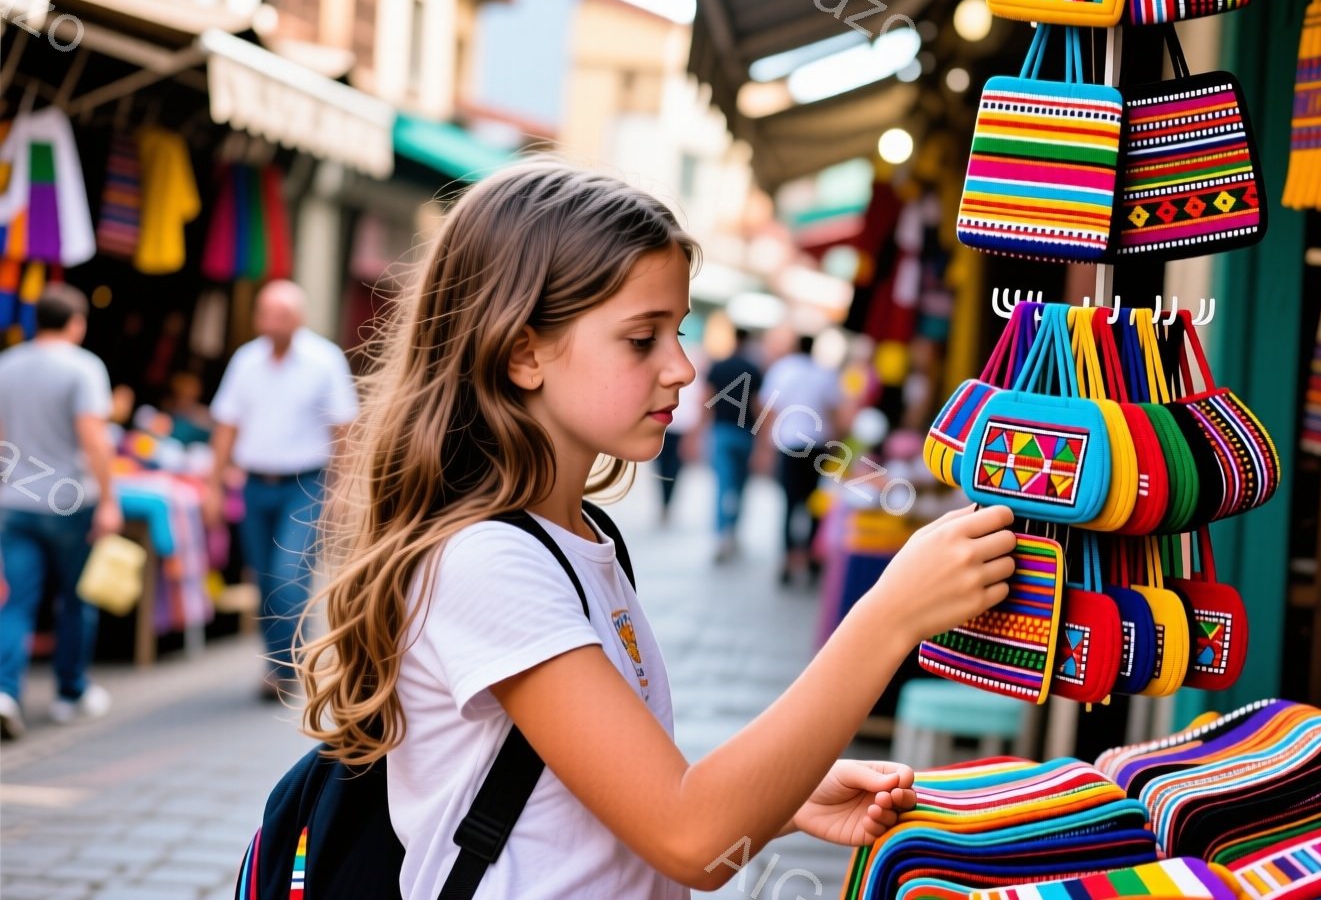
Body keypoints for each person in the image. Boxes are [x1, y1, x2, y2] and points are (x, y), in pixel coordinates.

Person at [295, 161, 1016, 899]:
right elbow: (690, 837)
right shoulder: (487, 561)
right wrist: (891, 616)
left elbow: (606, 799)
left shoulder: (576, 537)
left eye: (678, 330)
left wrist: (781, 796)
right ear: (522, 352)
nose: (680, 367)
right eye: (643, 339)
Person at [204, 280, 357, 700]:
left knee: (289, 577)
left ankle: (286, 665)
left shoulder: (324, 359)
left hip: (304, 484)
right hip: (254, 484)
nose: (272, 323)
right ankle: (280, 661)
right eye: (266, 314)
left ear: (299, 319)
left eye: (282, 315)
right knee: (265, 579)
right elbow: (227, 425)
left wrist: (341, 488)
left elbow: (343, 426)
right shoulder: (246, 360)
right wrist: (213, 486)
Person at [0, 284, 122, 740]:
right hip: (70, 500)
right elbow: (94, 436)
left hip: (15, 500)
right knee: (75, 598)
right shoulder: (84, 367)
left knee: (16, 600)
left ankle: (6, 691)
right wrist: (109, 499)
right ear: (76, 322)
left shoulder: (7, 365)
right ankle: (70, 693)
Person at [759, 334, 845, 586]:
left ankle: (787, 559)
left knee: (788, 503)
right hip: (818, 446)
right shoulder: (825, 374)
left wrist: (763, 446)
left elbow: (768, 409)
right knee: (813, 505)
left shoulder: (782, 369)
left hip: (789, 445)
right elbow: (835, 412)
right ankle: (809, 558)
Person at [702, 325, 762, 562]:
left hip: (721, 432)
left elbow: (705, 400)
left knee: (721, 485)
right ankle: (734, 531)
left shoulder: (718, 366)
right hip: (745, 433)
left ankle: (721, 536)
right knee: (741, 487)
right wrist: (762, 440)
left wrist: (699, 432)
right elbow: (758, 405)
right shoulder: (754, 369)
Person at [654, 341, 700, 525]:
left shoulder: (692, 381)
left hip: (680, 429)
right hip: (667, 428)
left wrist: (692, 435)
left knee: (673, 469)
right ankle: (664, 503)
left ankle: (667, 504)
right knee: (663, 468)